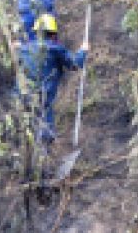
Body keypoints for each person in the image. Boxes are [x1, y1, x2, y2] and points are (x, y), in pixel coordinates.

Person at [16, 14, 89, 144]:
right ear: (54, 34)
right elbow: (75, 64)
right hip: (43, 95)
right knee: (44, 129)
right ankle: (44, 152)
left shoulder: (24, 48)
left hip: (21, 94)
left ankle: (32, 151)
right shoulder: (55, 49)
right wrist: (83, 51)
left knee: (26, 127)